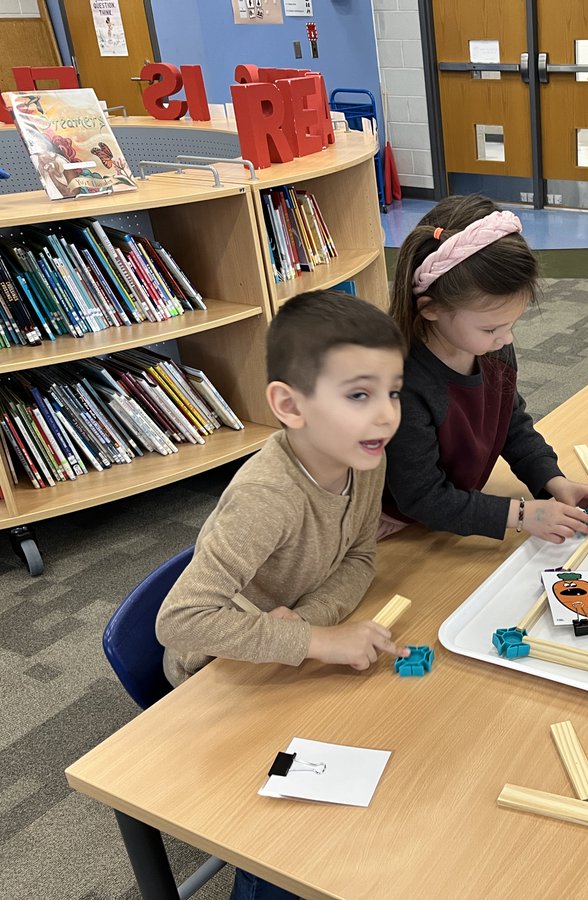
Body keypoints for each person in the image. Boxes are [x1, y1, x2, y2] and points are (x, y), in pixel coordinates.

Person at [156, 290, 407, 900]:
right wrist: (315, 639)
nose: (385, 416)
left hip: (282, 648)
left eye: (393, 391)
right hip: (217, 669)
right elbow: (180, 621)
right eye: (359, 395)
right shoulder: (268, 496)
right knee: (300, 846)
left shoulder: (363, 455)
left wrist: (313, 629)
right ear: (289, 406)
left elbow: (361, 555)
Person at [383, 195, 588, 542]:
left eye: (512, 323)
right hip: (394, 523)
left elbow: (509, 423)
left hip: (446, 517)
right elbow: (423, 498)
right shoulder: (403, 383)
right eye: (491, 329)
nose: (506, 338)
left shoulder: (491, 347)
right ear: (430, 309)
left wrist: (551, 480)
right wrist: (520, 514)